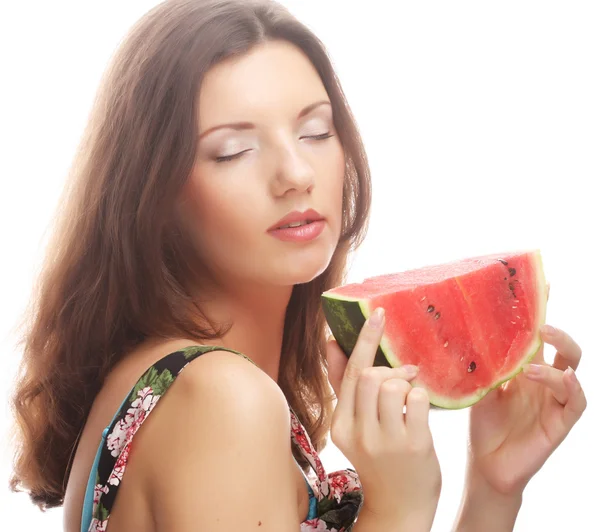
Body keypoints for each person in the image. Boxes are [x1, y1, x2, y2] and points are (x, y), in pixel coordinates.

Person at [8, 1, 587, 531]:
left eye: (315, 131)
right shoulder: (223, 401)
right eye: (233, 150)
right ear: (154, 195)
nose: (295, 173)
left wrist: (493, 489)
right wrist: (398, 508)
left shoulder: (175, 382)